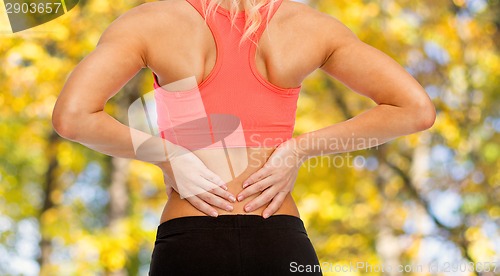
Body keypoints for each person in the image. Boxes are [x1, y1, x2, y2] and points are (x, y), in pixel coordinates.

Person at [52, 0, 436, 274]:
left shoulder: (152, 20)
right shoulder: (309, 25)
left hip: (190, 240)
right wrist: (299, 149)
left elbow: (72, 117)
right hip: (280, 239)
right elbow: (415, 109)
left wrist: (168, 155)